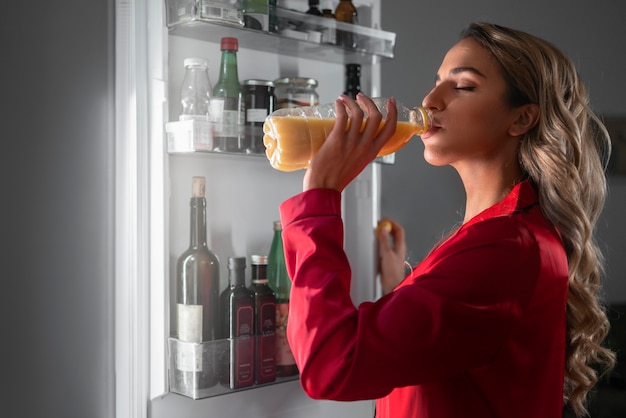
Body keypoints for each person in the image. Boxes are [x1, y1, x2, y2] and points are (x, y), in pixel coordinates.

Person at [277, 22, 616, 418]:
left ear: (521, 119)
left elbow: (331, 367)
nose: (431, 100)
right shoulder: (498, 234)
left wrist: (320, 193)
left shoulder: (508, 249)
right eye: (437, 82)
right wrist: (399, 286)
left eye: (464, 86)